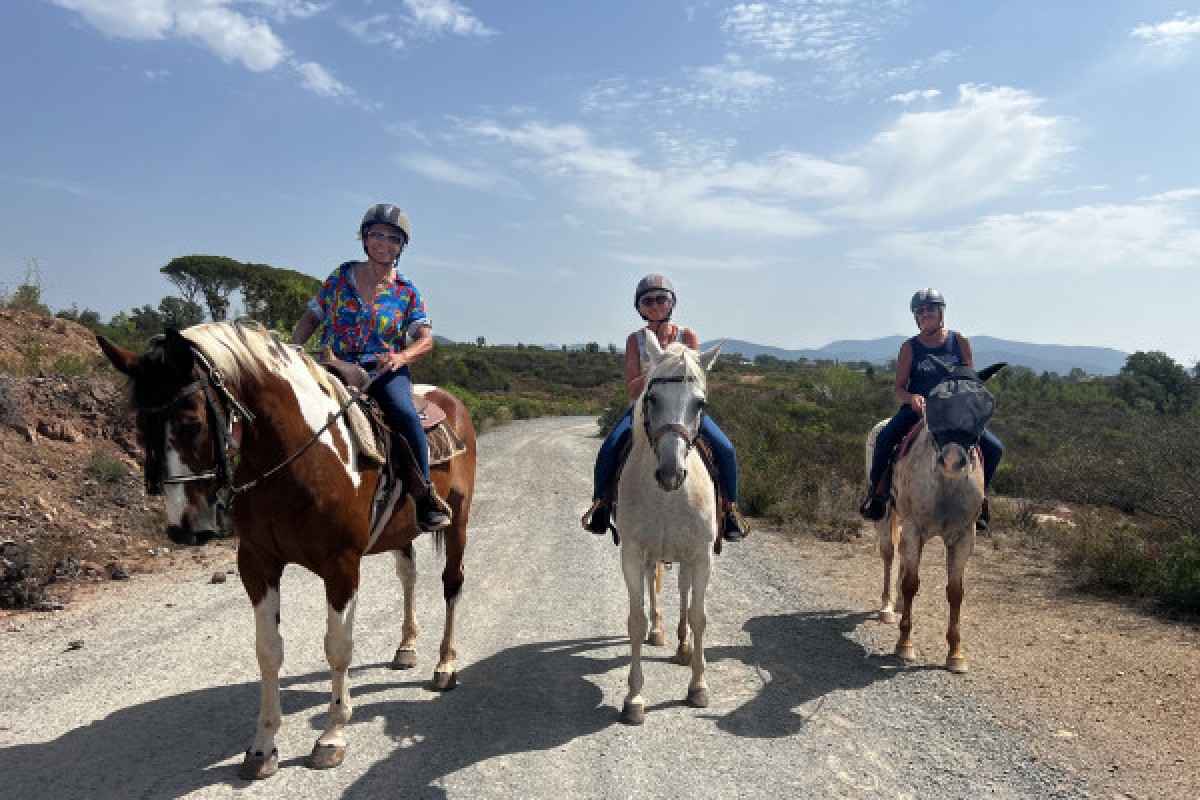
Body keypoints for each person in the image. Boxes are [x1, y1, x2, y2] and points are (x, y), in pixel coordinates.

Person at [291, 203, 451, 532]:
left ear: (402, 247)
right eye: (377, 234)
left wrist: (401, 357)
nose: (384, 243)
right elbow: (311, 318)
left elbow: (425, 339)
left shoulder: (406, 292)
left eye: (393, 238)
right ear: (364, 238)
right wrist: (293, 350)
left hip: (382, 371)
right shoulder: (340, 277)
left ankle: (424, 495)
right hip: (333, 364)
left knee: (405, 413)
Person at [582, 274, 747, 542]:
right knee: (609, 448)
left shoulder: (687, 336)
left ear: (671, 302)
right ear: (639, 307)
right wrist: (656, 370)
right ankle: (600, 506)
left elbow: (697, 378)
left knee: (725, 449)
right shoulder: (635, 340)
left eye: (661, 299)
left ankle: (730, 511)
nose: (655, 305)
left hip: (683, 409)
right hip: (646, 408)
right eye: (647, 301)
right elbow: (632, 389)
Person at [859, 288, 1004, 530]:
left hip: (953, 413)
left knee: (994, 449)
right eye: (920, 310)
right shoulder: (910, 347)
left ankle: (979, 501)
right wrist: (912, 398)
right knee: (884, 439)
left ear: (941, 311)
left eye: (931, 308)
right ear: (916, 316)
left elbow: (970, 382)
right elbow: (898, 388)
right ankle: (878, 495)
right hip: (919, 410)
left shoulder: (959, 341)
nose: (926, 313)